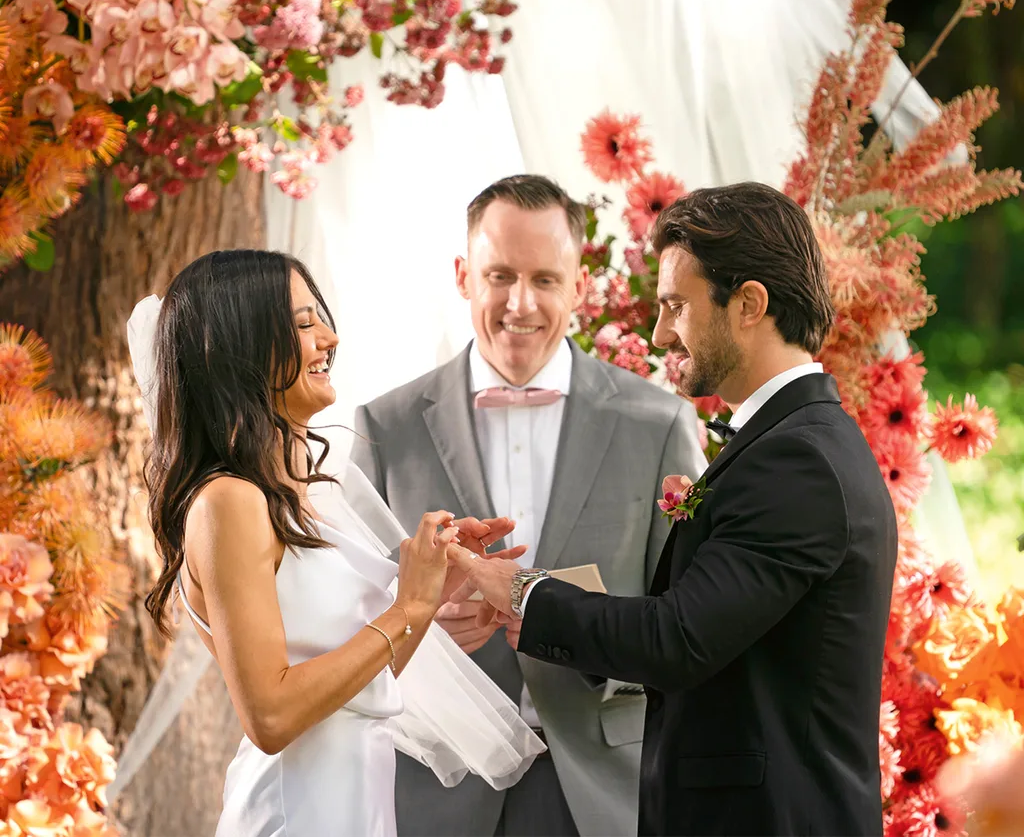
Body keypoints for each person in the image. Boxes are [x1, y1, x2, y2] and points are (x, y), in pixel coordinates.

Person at [453, 182, 900, 836]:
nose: (660, 333)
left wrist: (520, 591)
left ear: (749, 304)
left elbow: (678, 639)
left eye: (675, 307)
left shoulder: (797, 462)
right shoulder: (786, 442)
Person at [128, 250, 543, 837]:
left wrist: (431, 587)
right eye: (302, 324)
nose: (330, 336)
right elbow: (269, 717)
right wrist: (409, 607)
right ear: (242, 345)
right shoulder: (229, 501)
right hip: (293, 811)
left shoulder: (297, 495)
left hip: (357, 810)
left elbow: (363, 686)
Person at [351, 175, 707, 837]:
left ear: (578, 286)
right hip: (436, 786)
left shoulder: (658, 425)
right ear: (464, 276)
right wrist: (420, 629)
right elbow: (345, 618)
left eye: (545, 279)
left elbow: (690, 623)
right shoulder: (383, 428)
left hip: (605, 787)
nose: (521, 302)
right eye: (499, 275)